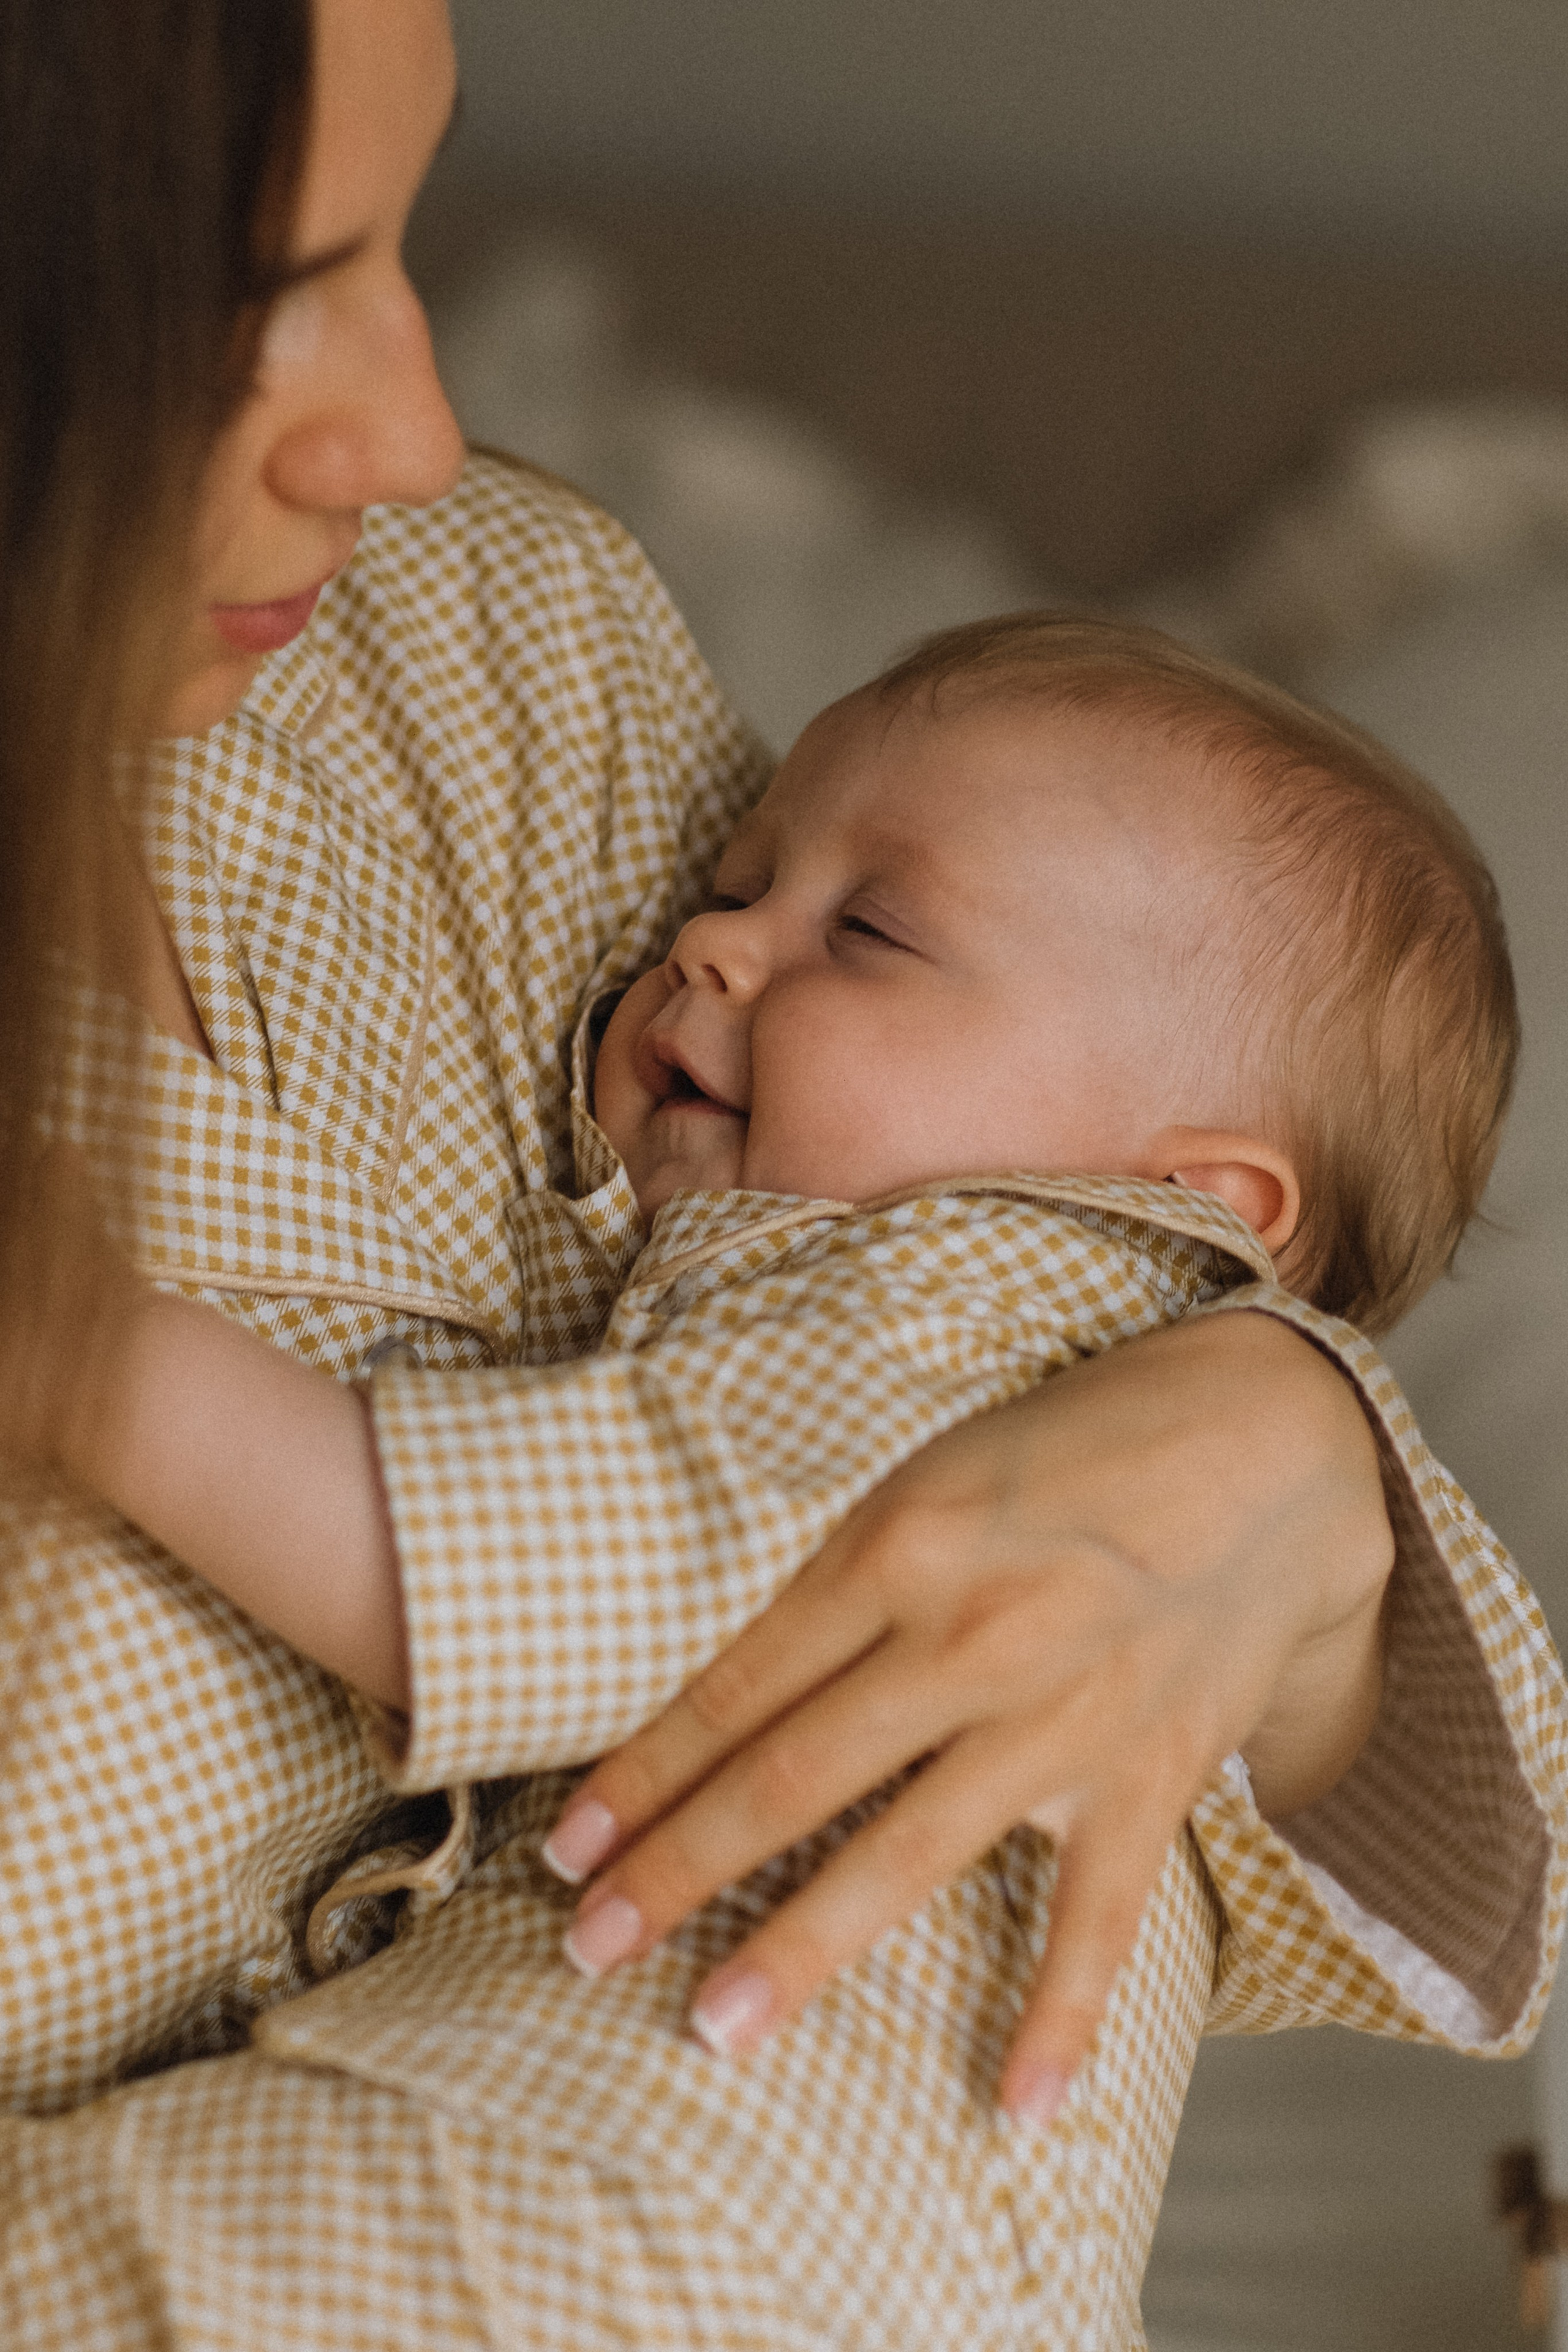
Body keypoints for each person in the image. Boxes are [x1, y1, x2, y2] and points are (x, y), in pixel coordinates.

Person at [0, 2, 1560, 2346]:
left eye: (868, 929)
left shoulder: (488, 642)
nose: (419, 432)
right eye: (253, 296)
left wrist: (1295, 1443)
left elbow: (607, 1559)